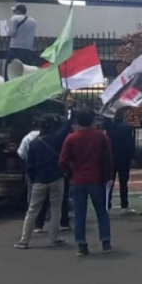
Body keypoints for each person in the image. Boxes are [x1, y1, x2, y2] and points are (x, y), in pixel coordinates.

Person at [58, 108, 113, 257]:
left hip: (78, 179)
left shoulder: (71, 138)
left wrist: (70, 173)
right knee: (102, 211)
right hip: (97, 178)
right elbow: (108, 157)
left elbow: (63, 160)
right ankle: (105, 241)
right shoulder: (100, 136)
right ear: (93, 120)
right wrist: (108, 175)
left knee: (79, 214)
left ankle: (81, 244)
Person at [14, 114, 71, 249]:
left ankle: (24, 240)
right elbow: (67, 127)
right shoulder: (57, 139)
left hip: (39, 179)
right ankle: (54, 238)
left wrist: (33, 179)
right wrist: (71, 112)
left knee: (32, 210)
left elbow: (29, 163)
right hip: (56, 177)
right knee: (56, 208)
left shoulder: (34, 143)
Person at [104, 111, 135, 215]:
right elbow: (130, 144)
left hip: (111, 158)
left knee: (109, 183)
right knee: (123, 183)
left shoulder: (109, 127)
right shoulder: (126, 128)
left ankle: (107, 204)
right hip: (123, 158)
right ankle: (124, 205)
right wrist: (132, 156)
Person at [5, 4, 38, 78]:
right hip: (28, 48)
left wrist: (6, 30)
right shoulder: (33, 21)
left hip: (15, 47)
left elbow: (12, 33)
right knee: (25, 70)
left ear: (17, 11)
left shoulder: (14, 18)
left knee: (10, 68)